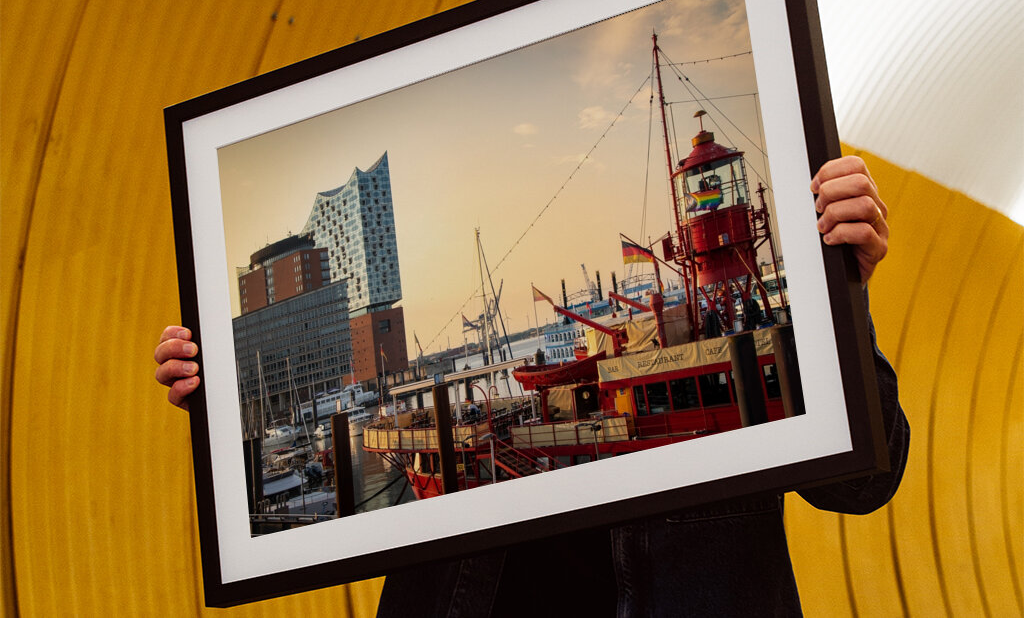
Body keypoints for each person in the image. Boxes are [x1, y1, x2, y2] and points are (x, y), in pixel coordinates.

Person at [154, 156, 908, 616]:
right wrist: (224, 403)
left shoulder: (777, 325)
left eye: (713, 186)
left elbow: (866, 481)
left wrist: (843, 291)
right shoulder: (549, 407)